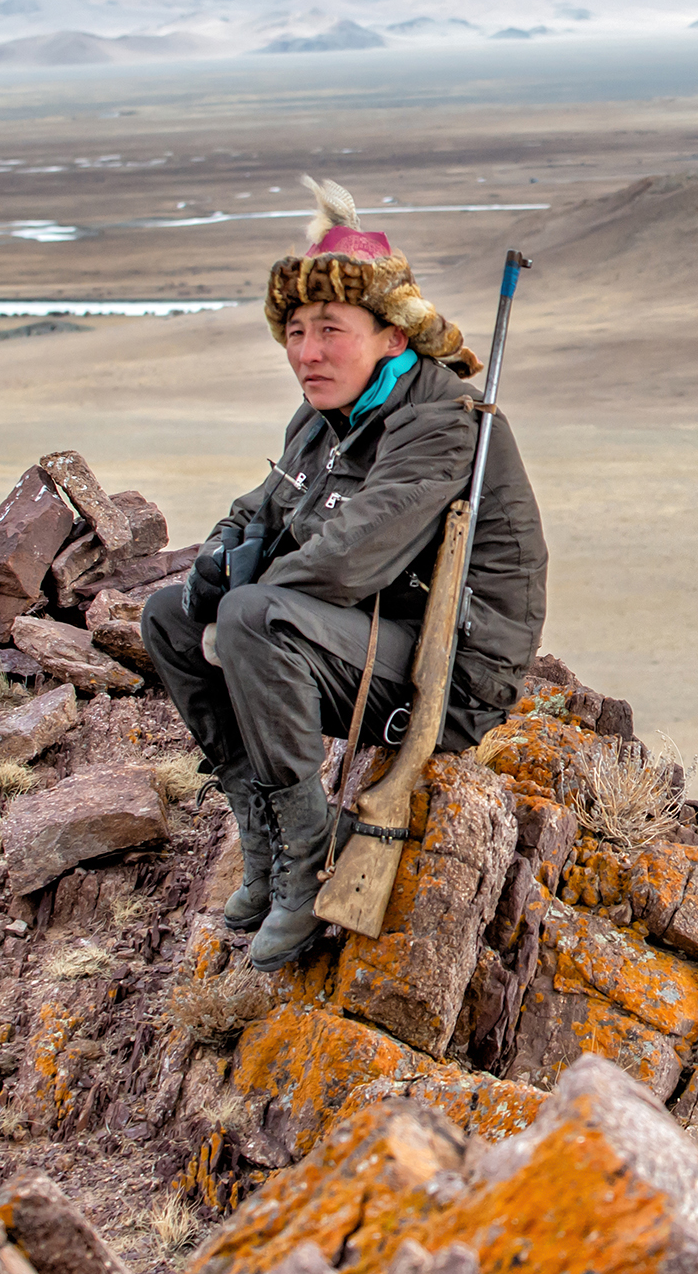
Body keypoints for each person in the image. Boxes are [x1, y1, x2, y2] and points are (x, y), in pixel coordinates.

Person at [142, 181, 547, 967]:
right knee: (168, 617)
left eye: (331, 329)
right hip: (365, 636)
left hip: (448, 674)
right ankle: (264, 836)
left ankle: (308, 856)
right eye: (296, 331)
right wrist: (218, 557)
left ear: (393, 336)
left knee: (253, 617)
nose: (307, 352)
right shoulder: (321, 414)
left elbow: (349, 557)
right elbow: (259, 505)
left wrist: (243, 593)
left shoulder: (440, 420)